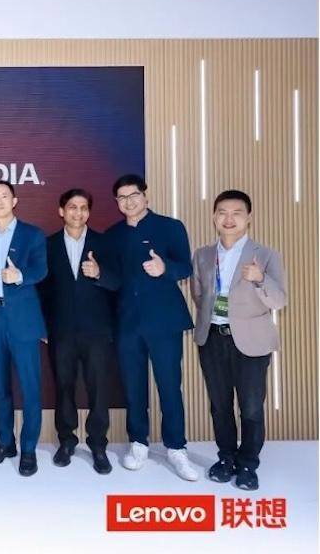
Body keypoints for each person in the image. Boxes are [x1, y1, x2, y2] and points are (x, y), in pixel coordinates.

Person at [191, 190, 287, 490]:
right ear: (214, 217)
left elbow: (279, 300)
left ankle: (248, 465)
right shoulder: (203, 255)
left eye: (236, 213)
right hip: (212, 338)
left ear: (248, 218)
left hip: (251, 342)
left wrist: (260, 278)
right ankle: (226, 458)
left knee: (251, 408)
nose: (228, 219)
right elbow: (199, 295)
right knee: (219, 405)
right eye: (222, 212)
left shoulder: (266, 255)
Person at [105, 174, 198, 481]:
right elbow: (114, 280)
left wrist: (164, 268)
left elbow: (185, 267)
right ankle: (138, 442)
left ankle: (176, 447)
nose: (128, 202)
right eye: (122, 198)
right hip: (127, 322)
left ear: (145, 195)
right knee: (133, 386)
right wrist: (98, 273)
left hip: (163, 320)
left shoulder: (170, 227)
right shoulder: (113, 235)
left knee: (169, 385)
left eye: (133, 195)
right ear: (117, 202)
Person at [37, 189, 117, 474]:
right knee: (64, 387)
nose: (78, 213)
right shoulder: (47, 245)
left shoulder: (104, 243)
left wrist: (100, 274)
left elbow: (118, 282)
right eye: (72, 207)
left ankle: (98, 444)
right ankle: (67, 441)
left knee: (98, 390)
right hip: (61, 330)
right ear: (62, 211)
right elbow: (41, 290)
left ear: (89, 212)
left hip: (97, 330)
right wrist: (43, 325)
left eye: (84, 207)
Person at [0, 180, 47, 476]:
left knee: (30, 388)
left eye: (4, 196)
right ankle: (6, 443)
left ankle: (28, 449)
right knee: (0, 388)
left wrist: (19, 275)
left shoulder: (32, 234)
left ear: (14, 201)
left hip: (24, 321)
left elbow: (41, 269)